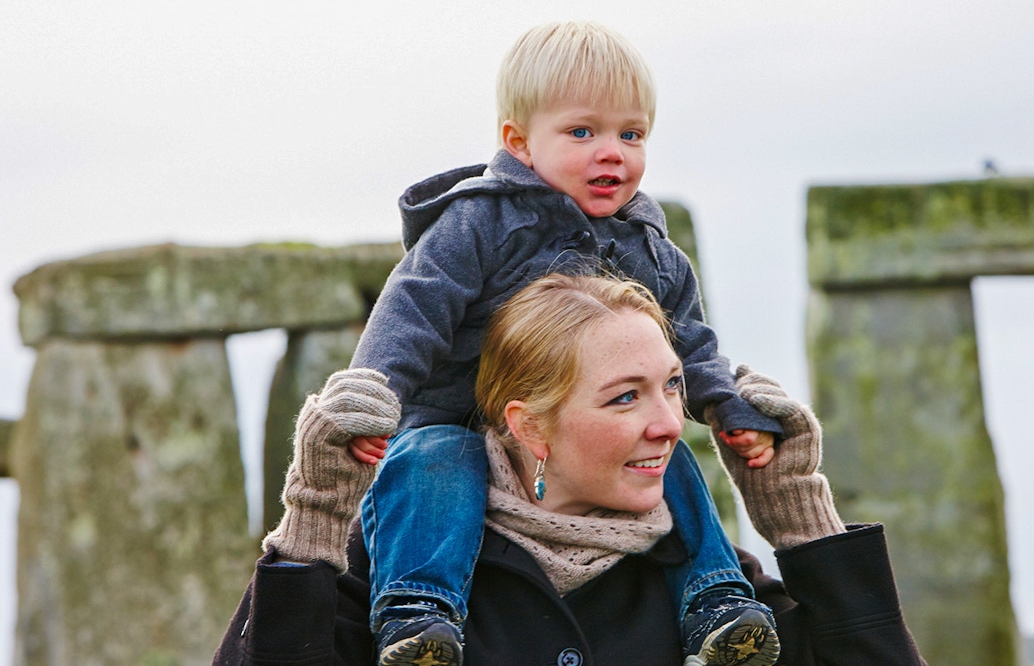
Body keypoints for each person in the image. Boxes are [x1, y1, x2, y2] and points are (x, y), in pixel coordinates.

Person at [333, 22, 784, 665]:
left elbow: (692, 341)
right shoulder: (480, 221)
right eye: (583, 132)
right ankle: (419, 615)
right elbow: (414, 308)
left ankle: (718, 601)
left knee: (674, 459)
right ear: (518, 142)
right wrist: (371, 396)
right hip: (453, 415)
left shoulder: (652, 251)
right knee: (432, 462)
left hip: (567, 430)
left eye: (631, 134)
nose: (613, 153)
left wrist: (725, 408)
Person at [215, 273, 927, 665]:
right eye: (626, 396)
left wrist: (802, 520)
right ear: (528, 425)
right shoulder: (398, 575)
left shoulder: (709, 584)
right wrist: (312, 529)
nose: (670, 423)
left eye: (673, 385)